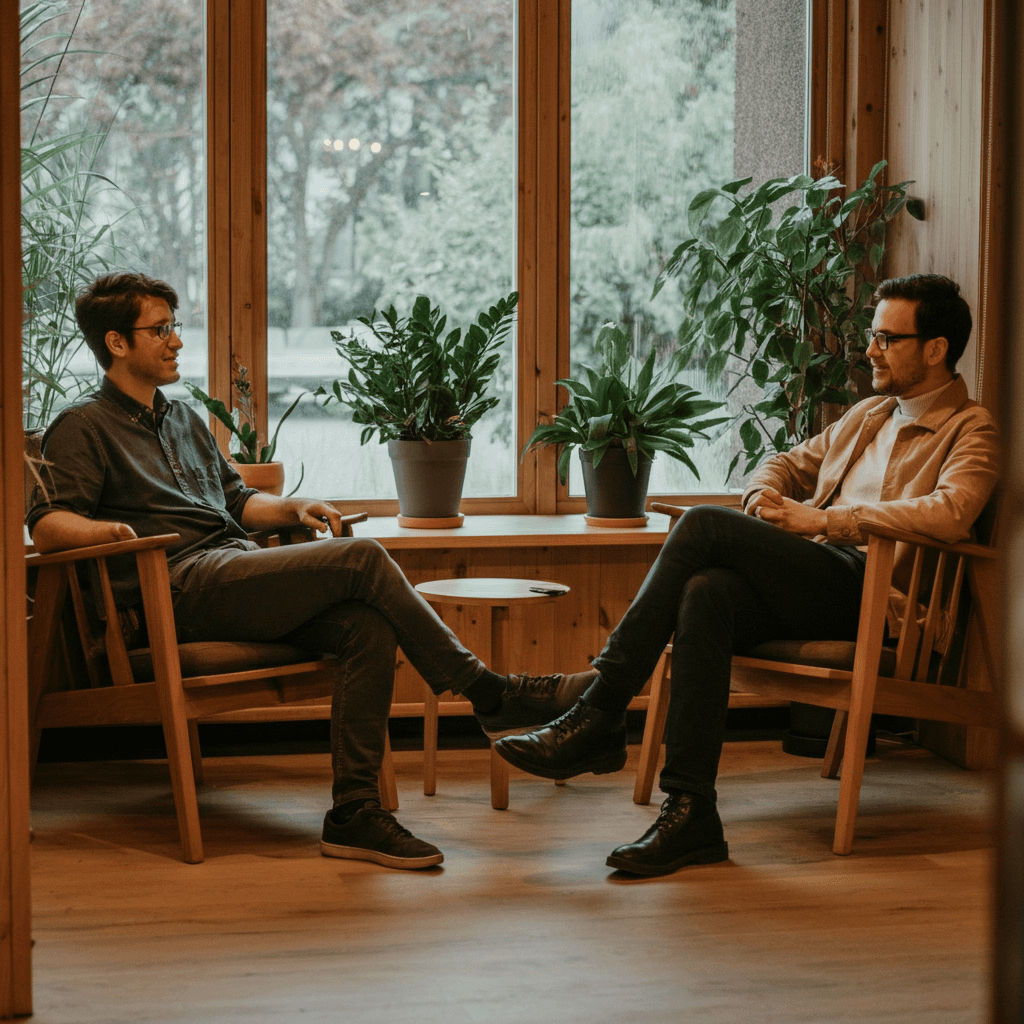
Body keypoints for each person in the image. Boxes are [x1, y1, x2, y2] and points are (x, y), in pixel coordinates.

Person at [27, 272, 593, 871]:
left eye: (176, 328)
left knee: (363, 626)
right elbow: (47, 523)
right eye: (160, 330)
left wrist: (292, 508)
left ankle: (353, 813)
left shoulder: (184, 419)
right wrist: (114, 534)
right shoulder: (83, 424)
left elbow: (236, 501)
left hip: (231, 571)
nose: (176, 342)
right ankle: (489, 692)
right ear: (116, 343)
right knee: (363, 557)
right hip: (172, 588)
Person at [494, 273, 1000, 876]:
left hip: (882, 597)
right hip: (825, 581)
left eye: (887, 339)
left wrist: (824, 520)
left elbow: (951, 512)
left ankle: (600, 708)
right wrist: (765, 493)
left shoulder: (973, 428)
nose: (870, 349)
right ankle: (691, 812)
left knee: (706, 526)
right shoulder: (869, 415)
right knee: (708, 594)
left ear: (936, 348)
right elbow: (784, 461)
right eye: (872, 335)